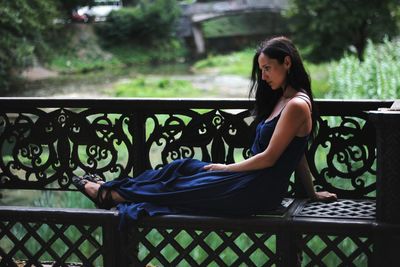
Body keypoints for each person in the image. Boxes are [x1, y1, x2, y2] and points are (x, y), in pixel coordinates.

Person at [72, 36, 337, 227]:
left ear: (287, 63)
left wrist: (224, 168)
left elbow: (270, 158)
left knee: (185, 186)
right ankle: (111, 189)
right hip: (250, 181)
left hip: (256, 190)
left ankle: (107, 194)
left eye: (267, 68)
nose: (264, 76)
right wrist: (312, 192)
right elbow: (297, 151)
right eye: (261, 70)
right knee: (183, 167)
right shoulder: (283, 98)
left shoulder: (296, 105)